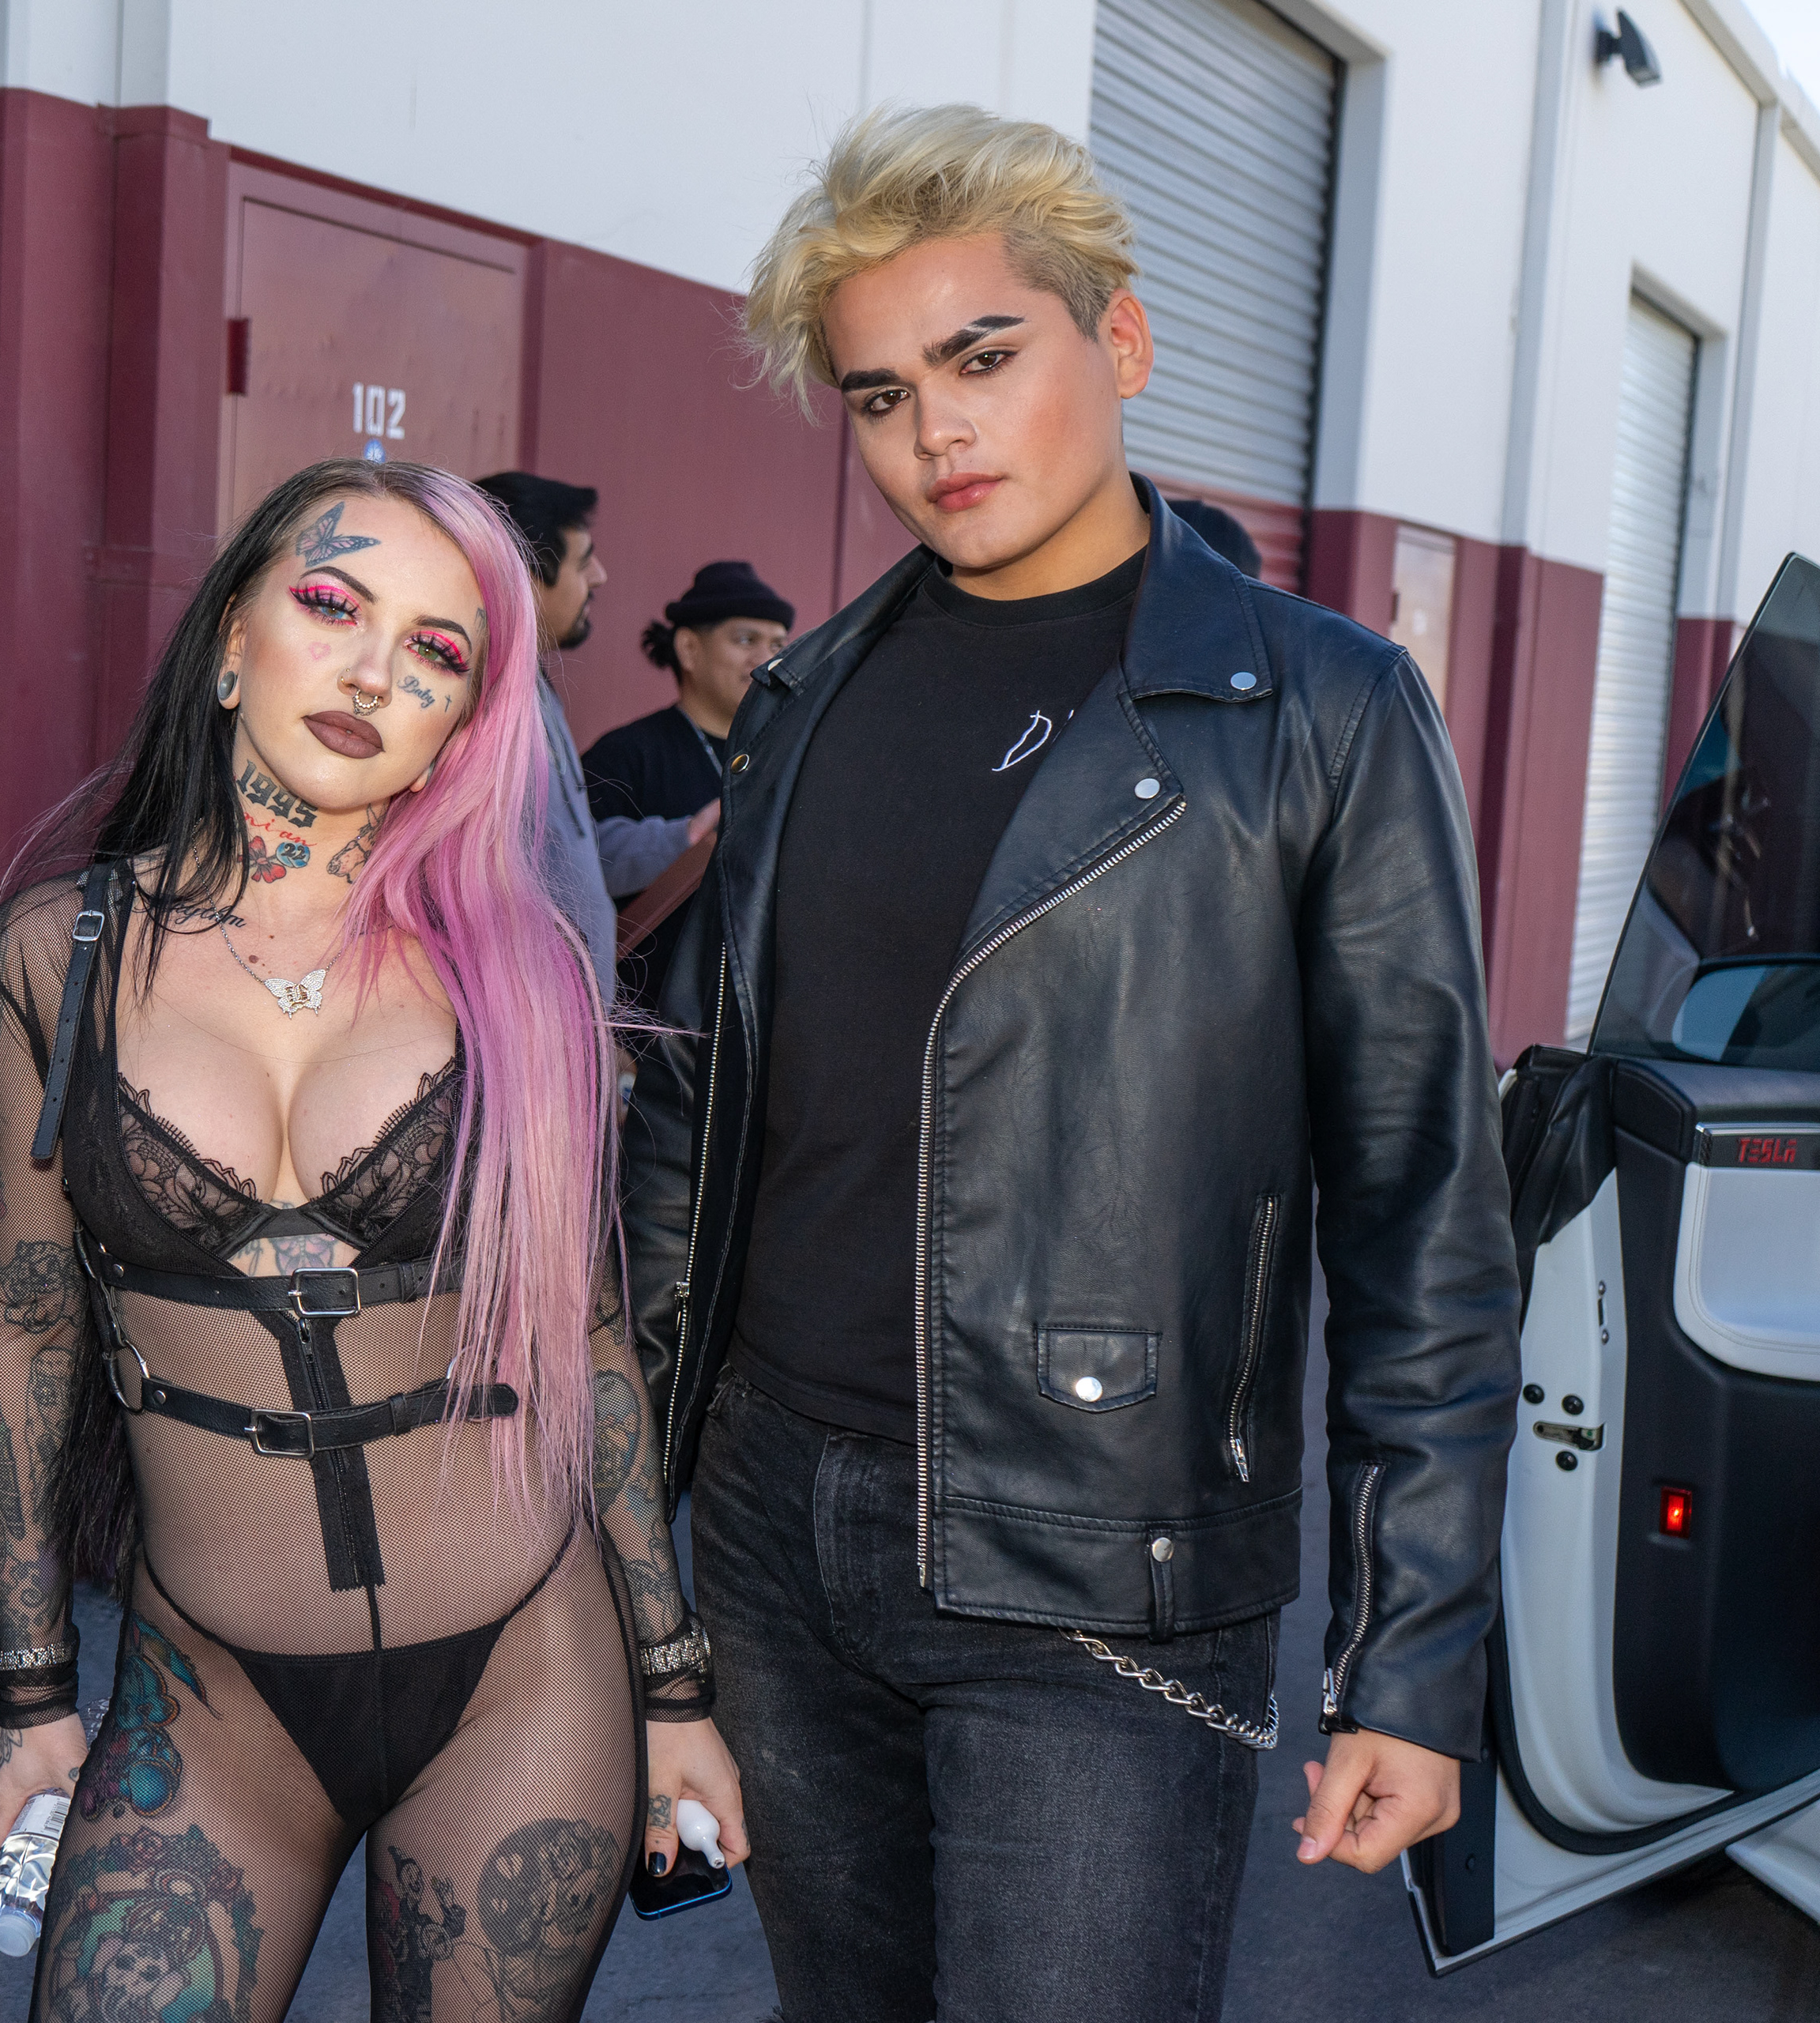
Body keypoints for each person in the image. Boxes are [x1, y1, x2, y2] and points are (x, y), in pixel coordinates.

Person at [621, 105, 1520, 2022]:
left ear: (1117, 340)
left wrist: (1411, 1655)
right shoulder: (801, 696)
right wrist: (636, 1555)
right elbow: (691, 1116)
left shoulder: (1319, 707)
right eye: (880, 395)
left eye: (981, 358)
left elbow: (1422, 1207)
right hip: (773, 1526)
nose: (933, 435)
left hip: (1109, 1559)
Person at [0, 458, 746, 2023]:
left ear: (464, 724)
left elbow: (589, 1334)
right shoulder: (57, 960)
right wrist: (31, 1693)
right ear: (231, 637)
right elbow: (30, 1325)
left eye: (436, 652)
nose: (376, 671)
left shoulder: (517, 972)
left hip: (528, 1681)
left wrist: (674, 1688)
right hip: (210, 1702)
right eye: (333, 604)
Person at [472, 470, 681, 1003]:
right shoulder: (483, 703)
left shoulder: (533, 686)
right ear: (525, 572)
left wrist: (686, 837)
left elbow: (567, 861)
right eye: (584, 560)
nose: (600, 576)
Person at [579, 562, 793, 996]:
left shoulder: (784, 757)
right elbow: (571, 864)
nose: (766, 659)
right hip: (641, 1013)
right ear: (690, 649)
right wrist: (685, 839)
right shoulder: (626, 753)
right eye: (746, 640)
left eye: (777, 644)